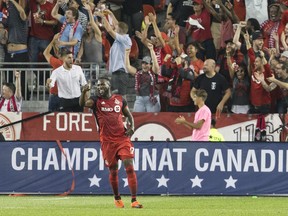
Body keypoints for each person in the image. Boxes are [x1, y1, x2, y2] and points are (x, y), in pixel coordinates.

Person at [79, 76, 143, 209]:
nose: (99, 88)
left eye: (102, 85)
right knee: (113, 171)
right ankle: (117, 198)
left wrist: (132, 127)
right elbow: (82, 104)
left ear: (109, 86)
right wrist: (84, 92)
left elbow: (128, 115)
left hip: (122, 138)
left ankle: (134, 200)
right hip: (107, 141)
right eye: (97, 86)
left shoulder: (119, 99)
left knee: (129, 166)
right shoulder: (96, 101)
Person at [125, 42, 161, 112]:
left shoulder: (154, 72)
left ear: (150, 65)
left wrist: (151, 50)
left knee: (152, 118)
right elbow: (128, 67)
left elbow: (156, 64)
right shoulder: (138, 72)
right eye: (143, 63)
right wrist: (126, 54)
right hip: (140, 98)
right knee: (137, 117)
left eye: (146, 63)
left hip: (152, 98)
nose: (144, 65)